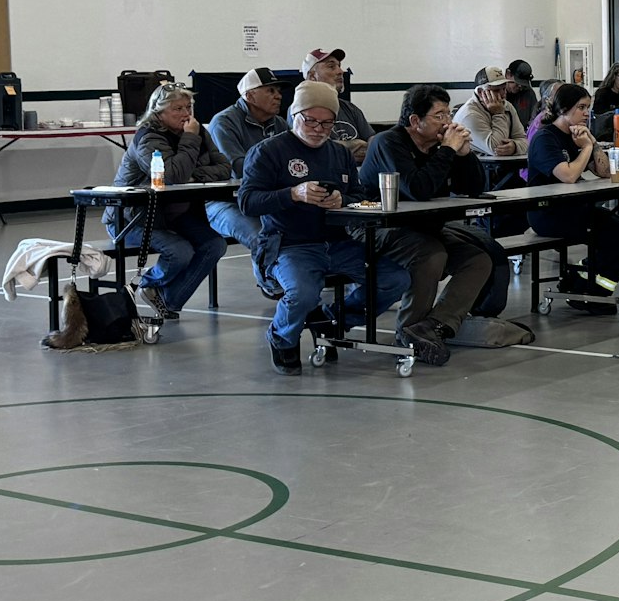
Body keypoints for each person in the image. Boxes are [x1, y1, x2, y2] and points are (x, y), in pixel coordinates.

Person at [239, 80, 410, 375]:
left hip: (338, 241)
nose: (319, 128)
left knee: (395, 279)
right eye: (312, 121)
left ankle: (334, 321)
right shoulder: (268, 151)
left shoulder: (340, 153)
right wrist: (292, 194)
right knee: (303, 293)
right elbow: (248, 202)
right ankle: (281, 337)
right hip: (290, 243)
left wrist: (342, 198)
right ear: (295, 116)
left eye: (328, 123)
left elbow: (359, 194)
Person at [354, 85, 495, 367]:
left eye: (449, 113)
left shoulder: (439, 147)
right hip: (376, 227)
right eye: (439, 115)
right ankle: (405, 335)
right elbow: (417, 188)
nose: (448, 122)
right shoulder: (387, 143)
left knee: (478, 259)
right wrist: (448, 150)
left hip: (421, 226)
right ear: (415, 121)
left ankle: (431, 327)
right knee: (431, 255)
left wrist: (465, 154)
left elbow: (476, 188)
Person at [108, 82, 230, 321]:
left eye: (188, 107)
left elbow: (224, 168)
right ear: (159, 112)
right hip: (134, 218)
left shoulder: (197, 132)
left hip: (175, 213)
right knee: (180, 251)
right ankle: (147, 284)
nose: (186, 114)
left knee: (215, 244)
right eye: (177, 109)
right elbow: (171, 176)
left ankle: (169, 299)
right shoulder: (148, 137)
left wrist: (194, 174)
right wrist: (189, 141)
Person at [525, 82, 619, 307]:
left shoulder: (578, 135)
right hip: (547, 214)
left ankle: (583, 287)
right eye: (581, 107)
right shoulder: (545, 139)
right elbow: (567, 176)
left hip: (575, 209)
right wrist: (585, 149)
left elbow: (605, 172)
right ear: (563, 109)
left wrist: (593, 142)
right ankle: (584, 291)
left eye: (588, 107)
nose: (587, 113)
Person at [206, 65, 287, 298]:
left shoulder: (279, 124)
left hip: (264, 198)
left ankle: (298, 276)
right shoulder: (224, 122)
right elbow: (239, 168)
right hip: (223, 201)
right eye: (270, 91)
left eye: (278, 91)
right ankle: (270, 282)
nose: (278, 96)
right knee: (260, 233)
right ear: (249, 95)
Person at [302, 48, 373, 163]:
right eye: (331, 66)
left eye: (339, 66)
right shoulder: (301, 110)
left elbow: (372, 141)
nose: (340, 71)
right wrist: (354, 144)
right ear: (312, 76)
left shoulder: (351, 109)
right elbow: (314, 149)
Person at [455, 66, 528, 159]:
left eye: (504, 89)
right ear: (481, 92)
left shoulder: (507, 106)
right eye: (496, 90)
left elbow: (524, 139)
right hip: (476, 169)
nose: (503, 94)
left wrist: (515, 146)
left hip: (503, 168)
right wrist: (498, 114)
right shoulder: (469, 114)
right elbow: (496, 148)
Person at [505, 59, 539, 128]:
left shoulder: (529, 93)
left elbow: (535, 119)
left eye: (523, 84)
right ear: (508, 74)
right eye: (517, 83)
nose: (520, 86)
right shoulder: (497, 94)